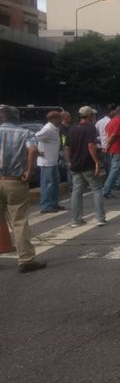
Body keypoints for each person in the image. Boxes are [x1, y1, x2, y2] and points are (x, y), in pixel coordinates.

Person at [0, 105, 46, 273]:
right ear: (16, 118)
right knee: (19, 221)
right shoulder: (25, 133)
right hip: (15, 181)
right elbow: (33, 150)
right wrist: (29, 170)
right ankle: (26, 259)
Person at [65, 106, 106, 227]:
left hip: (76, 164)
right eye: (92, 115)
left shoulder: (72, 129)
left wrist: (70, 162)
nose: (93, 117)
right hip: (88, 164)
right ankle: (100, 218)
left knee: (76, 192)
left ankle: (76, 220)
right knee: (97, 189)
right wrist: (97, 162)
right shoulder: (90, 128)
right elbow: (90, 146)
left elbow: (67, 148)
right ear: (88, 116)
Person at [35, 110, 63, 213]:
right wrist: (37, 151)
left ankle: (54, 203)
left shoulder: (55, 128)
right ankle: (46, 206)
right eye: (59, 118)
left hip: (52, 160)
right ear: (53, 119)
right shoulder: (47, 129)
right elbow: (34, 137)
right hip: (46, 162)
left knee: (55, 183)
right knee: (48, 184)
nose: (61, 120)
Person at [59, 110, 73, 193]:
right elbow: (64, 142)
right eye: (69, 116)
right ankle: (71, 187)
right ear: (64, 118)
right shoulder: (61, 128)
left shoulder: (69, 127)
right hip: (64, 149)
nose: (70, 118)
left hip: (70, 148)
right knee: (69, 167)